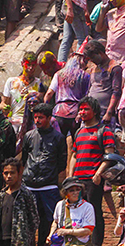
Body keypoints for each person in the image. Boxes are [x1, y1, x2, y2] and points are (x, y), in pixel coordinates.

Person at [69, 96, 117, 246]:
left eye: (86, 109)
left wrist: (98, 174)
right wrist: (70, 176)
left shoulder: (104, 131)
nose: (82, 112)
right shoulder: (78, 132)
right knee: (77, 213)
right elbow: (74, 156)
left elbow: (109, 156)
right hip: (78, 180)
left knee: (95, 212)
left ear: (95, 111)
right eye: (81, 109)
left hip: (93, 179)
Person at [20, 103, 65, 246]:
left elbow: (61, 163)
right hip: (30, 186)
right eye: (35, 117)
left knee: (49, 221)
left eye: (41, 117)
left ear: (49, 118)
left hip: (49, 187)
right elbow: (24, 159)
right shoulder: (29, 136)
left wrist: (55, 181)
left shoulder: (58, 138)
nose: (37, 120)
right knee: (28, 222)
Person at [44, 55, 90, 140]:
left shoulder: (58, 74)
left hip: (59, 112)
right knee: (77, 141)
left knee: (57, 140)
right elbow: (86, 96)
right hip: (76, 113)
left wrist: (46, 111)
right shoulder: (85, 75)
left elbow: (49, 94)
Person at [1, 51, 44, 133]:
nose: (30, 68)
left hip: (32, 122)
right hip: (14, 121)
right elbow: (3, 103)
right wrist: (4, 107)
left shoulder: (39, 83)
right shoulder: (11, 82)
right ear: (22, 64)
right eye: (28, 64)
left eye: (33, 65)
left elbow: (42, 105)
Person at [83, 39, 123, 123]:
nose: (92, 61)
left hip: (104, 113)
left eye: (93, 57)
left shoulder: (114, 68)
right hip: (90, 112)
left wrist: (109, 113)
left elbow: (116, 92)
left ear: (101, 53)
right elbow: (89, 90)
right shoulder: (93, 69)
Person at [47, 177, 94, 246]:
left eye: (78, 190)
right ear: (65, 193)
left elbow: (88, 231)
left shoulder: (87, 207)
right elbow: (55, 222)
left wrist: (67, 231)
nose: (76, 193)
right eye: (71, 190)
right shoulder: (60, 205)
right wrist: (50, 235)